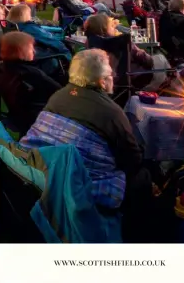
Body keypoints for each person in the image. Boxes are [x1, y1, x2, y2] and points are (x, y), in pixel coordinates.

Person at [22, 48, 154, 240]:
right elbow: (131, 159)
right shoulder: (112, 112)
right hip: (78, 184)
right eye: (110, 73)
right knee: (142, 177)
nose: (114, 76)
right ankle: (138, 233)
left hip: (40, 170)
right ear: (102, 80)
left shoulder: (59, 95)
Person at [0, 32, 61, 135]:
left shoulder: (2, 68)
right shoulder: (32, 74)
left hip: (17, 117)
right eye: (31, 48)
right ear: (21, 51)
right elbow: (59, 91)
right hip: (38, 119)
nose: (34, 51)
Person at [84, 13, 154, 88]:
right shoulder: (121, 41)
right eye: (111, 26)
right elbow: (147, 60)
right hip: (124, 83)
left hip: (101, 84)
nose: (115, 28)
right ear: (105, 28)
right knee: (159, 60)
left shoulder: (90, 42)